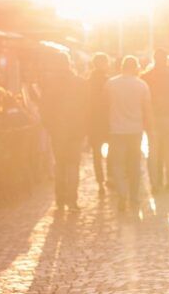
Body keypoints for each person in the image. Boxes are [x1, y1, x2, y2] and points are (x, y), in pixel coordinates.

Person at [104, 55, 153, 212]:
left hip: (116, 130)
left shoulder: (111, 84)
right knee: (134, 164)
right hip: (135, 130)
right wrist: (150, 128)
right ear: (136, 67)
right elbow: (147, 109)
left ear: (122, 67)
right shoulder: (142, 85)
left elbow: (104, 106)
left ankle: (122, 193)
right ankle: (134, 196)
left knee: (117, 165)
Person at [40, 53, 87, 211]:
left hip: (58, 131)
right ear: (69, 64)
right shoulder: (80, 83)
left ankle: (60, 199)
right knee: (73, 165)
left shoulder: (50, 84)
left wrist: (50, 126)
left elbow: (44, 108)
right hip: (76, 131)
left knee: (60, 164)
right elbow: (88, 108)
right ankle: (72, 201)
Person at [142, 49, 169, 191]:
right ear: (166, 59)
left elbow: (143, 99)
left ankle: (155, 183)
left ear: (154, 59)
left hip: (152, 117)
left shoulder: (146, 77)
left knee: (153, 152)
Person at [87, 53, 112, 192]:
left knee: (97, 154)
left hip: (93, 122)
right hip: (106, 121)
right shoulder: (108, 81)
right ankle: (110, 176)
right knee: (111, 150)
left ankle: (100, 181)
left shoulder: (88, 81)